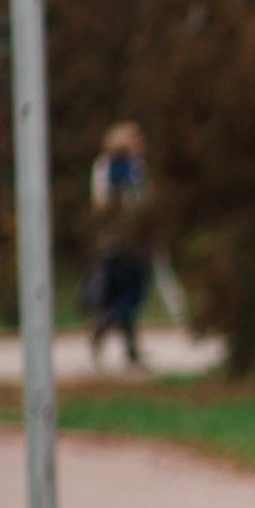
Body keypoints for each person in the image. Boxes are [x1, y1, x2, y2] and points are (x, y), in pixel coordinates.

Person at [86, 123, 153, 371]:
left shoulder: (102, 166)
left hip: (108, 239)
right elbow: (139, 203)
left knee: (122, 293)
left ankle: (130, 351)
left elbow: (98, 203)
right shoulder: (133, 169)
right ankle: (104, 327)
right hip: (131, 240)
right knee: (133, 294)